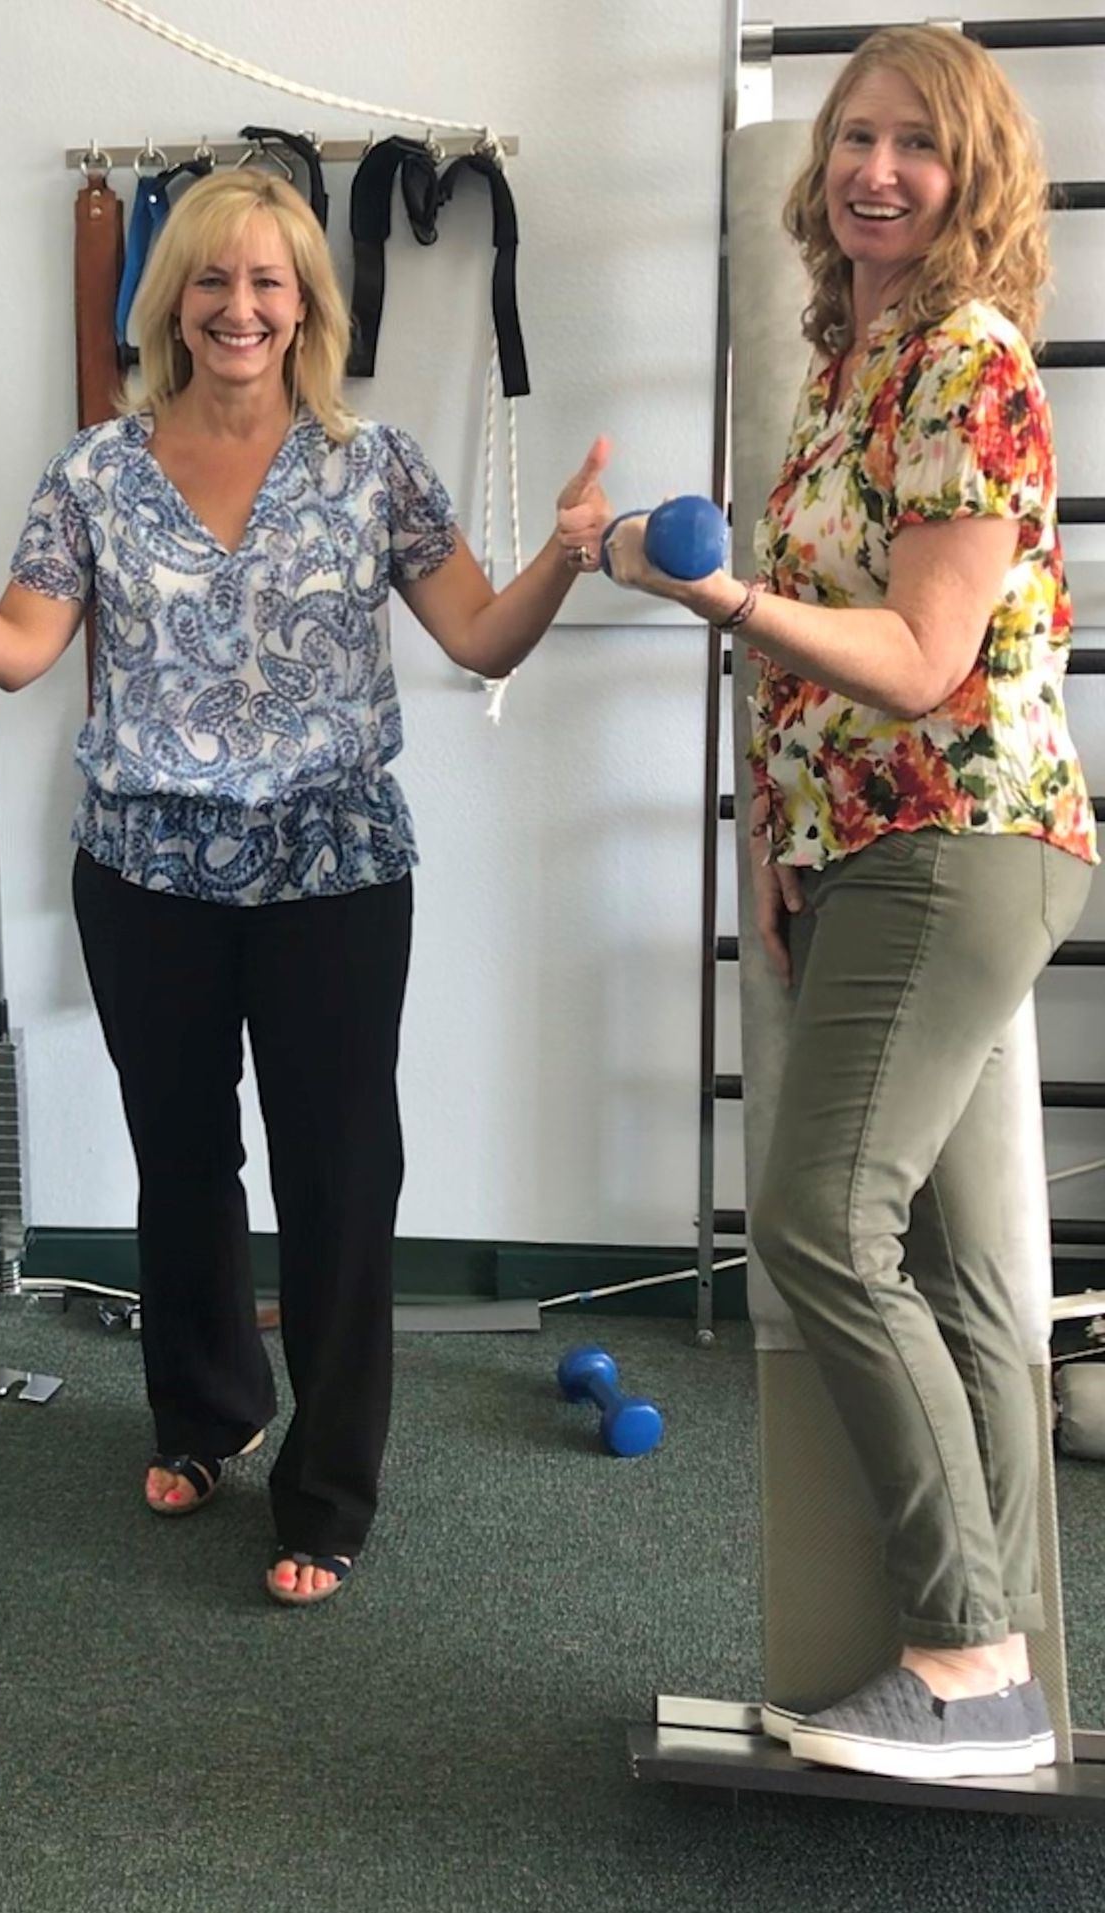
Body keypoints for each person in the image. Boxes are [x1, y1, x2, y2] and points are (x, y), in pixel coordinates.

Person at [0, 170, 609, 1606]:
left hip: (334, 870)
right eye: (212, 281)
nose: (239, 307)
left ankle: (331, 1484)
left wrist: (566, 551)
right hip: (146, 870)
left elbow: (481, 638)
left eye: (268, 282)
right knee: (181, 1158)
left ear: (307, 305)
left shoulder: (377, 467)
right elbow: (16, 648)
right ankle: (206, 1410)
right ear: (171, 301)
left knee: (341, 1179)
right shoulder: (98, 471)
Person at [601, 27, 1092, 1781]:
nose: (874, 170)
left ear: (975, 177)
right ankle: (1009, 1659)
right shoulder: (852, 352)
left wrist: (723, 594)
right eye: (853, 139)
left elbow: (919, 655)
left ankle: (963, 1653)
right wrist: (772, 846)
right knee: (966, 1276)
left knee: (815, 1219)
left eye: (916, 145)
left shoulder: (968, 359)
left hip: (957, 830)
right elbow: (806, 669)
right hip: (870, 846)